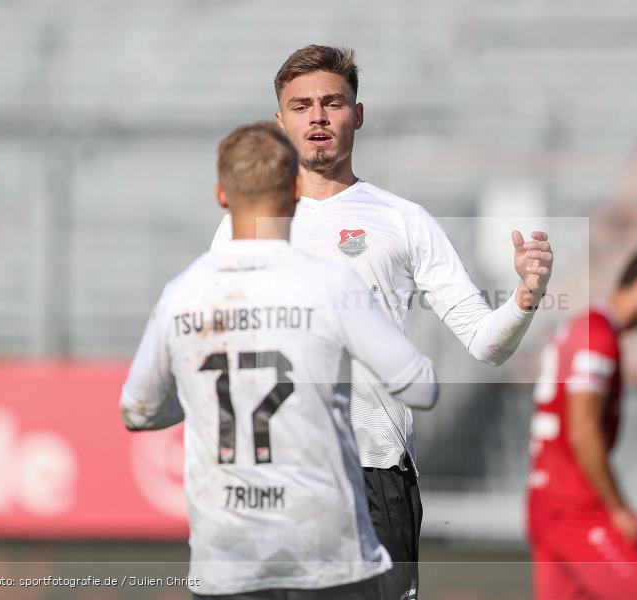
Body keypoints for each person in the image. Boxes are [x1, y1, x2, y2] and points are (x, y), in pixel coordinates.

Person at [210, 45, 554, 600]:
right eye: (300, 106)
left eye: (332, 103)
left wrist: (524, 298)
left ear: (358, 114)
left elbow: (485, 343)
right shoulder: (242, 228)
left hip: (374, 470)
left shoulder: (402, 221)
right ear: (279, 122)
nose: (317, 117)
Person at [120, 122, 440, 599]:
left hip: (228, 557)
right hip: (329, 555)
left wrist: (200, 395)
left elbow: (137, 410)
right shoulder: (330, 284)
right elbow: (420, 387)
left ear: (221, 196)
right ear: (294, 190)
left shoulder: (182, 293)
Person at [527, 243, 637, 600]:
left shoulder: (582, 328)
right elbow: (582, 430)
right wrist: (618, 508)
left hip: (546, 503)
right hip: (574, 505)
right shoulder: (598, 336)